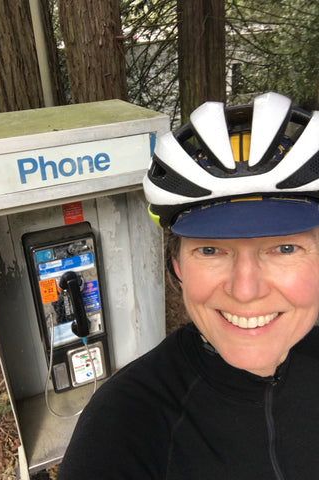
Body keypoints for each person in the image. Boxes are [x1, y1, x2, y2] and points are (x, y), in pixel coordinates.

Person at [58, 91, 319, 479]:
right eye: (211, 250)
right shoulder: (123, 424)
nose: (245, 290)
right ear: (177, 265)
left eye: (284, 248)